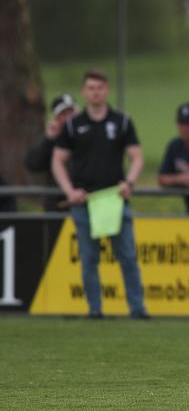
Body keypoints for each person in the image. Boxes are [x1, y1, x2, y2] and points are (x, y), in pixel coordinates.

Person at [51, 71, 148, 319]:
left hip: (115, 200)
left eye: (100, 87)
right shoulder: (73, 125)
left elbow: (136, 157)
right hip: (85, 202)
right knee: (89, 258)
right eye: (91, 88)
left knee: (127, 256)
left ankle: (137, 309)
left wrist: (130, 182)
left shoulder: (122, 121)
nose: (95, 92)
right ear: (84, 92)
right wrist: (69, 191)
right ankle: (95, 309)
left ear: (107, 90)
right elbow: (58, 161)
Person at [24, 93, 78, 211]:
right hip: (57, 203)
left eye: (71, 112)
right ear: (56, 118)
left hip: (83, 201)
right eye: (64, 114)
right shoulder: (52, 140)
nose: (69, 117)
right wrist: (48, 139)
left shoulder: (86, 134)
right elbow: (32, 164)